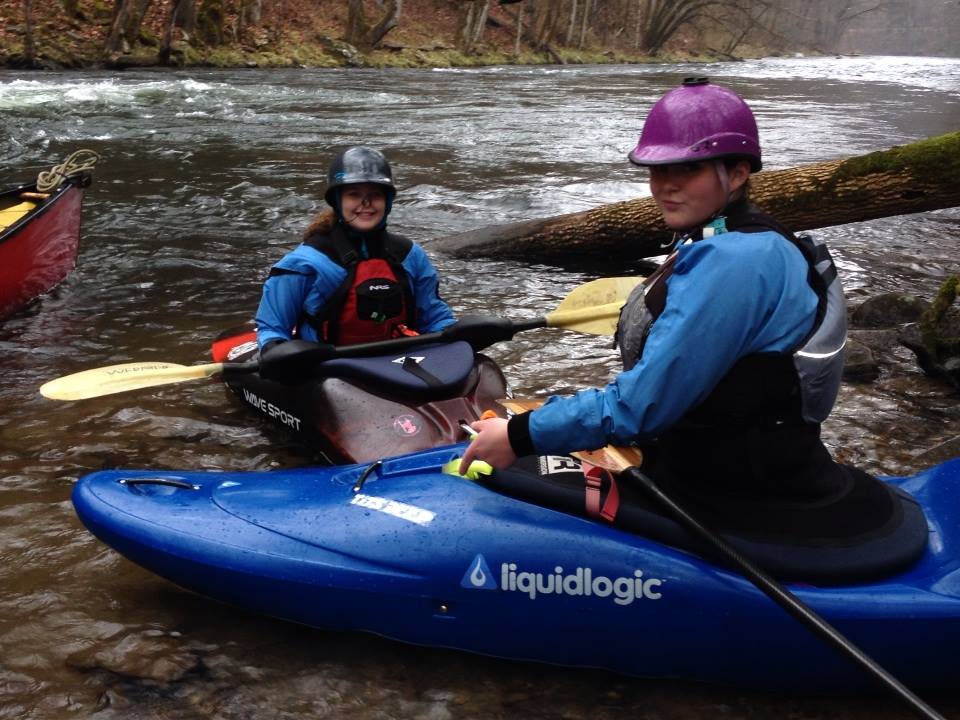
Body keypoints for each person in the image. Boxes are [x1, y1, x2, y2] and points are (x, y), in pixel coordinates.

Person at [460, 77, 851, 501]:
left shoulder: (735, 262)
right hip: (740, 459)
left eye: (689, 168)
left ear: (737, 173)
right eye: (659, 168)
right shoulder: (736, 239)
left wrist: (519, 435)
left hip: (737, 492)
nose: (666, 184)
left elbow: (638, 407)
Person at [255, 146, 455, 366]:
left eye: (375, 195)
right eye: (354, 195)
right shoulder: (306, 262)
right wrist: (275, 351)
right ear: (338, 201)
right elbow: (272, 328)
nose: (366, 204)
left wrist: (453, 336)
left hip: (398, 362)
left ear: (387, 202)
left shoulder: (409, 255)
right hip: (330, 370)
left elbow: (435, 317)